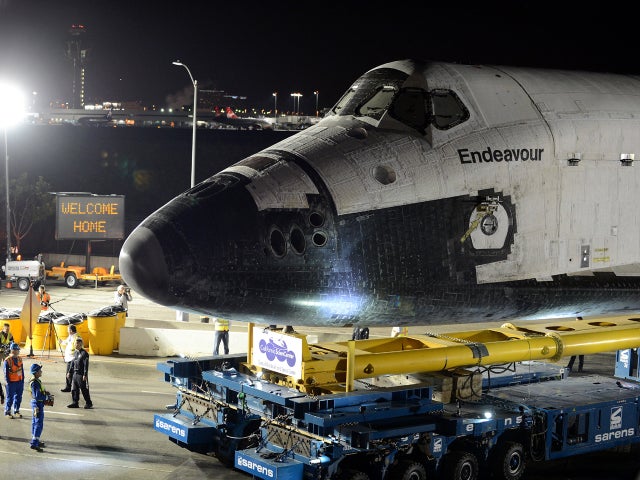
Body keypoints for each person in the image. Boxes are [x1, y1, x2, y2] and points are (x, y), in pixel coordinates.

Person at [67, 336, 92, 409]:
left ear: (80, 344)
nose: (75, 345)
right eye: (75, 344)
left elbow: (86, 365)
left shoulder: (84, 353)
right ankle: (75, 402)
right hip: (75, 373)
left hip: (81, 374)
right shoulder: (76, 352)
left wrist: (85, 374)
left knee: (83, 389)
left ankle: (88, 402)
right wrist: (69, 372)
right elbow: (72, 362)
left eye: (77, 344)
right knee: (74, 389)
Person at [29, 363, 49, 451]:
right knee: (38, 423)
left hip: (36, 404)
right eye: (40, 370)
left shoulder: (36, 380)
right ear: (36, 372)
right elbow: (37, 396)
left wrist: (45, 392)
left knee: (35, 422)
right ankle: (34, 443)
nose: (41, 372)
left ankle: (35, 439)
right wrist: (46, 397)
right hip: (38, 404)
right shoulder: (35, 383)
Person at [3, 342, 24, 418]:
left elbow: (22, 370)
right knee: (10, 398)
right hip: (11, 383)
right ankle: (7, 412)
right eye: (17, 350)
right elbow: (6, 373)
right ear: (13, 350)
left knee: (19, 397)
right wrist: (8, 383)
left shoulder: (19, 359)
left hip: (19, 382)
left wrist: (22, 381)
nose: (18, 351)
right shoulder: (7, 360)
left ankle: (16, 410)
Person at [58, 324, 78, 392]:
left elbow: (77, 349)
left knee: (70, 374)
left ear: (71, 330)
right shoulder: (70, 336)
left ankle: (71, 387)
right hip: (69, 358)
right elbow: (66, 342)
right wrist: (61, 342)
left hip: (73, 359)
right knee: (68, 374)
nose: (67, 331)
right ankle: (69, 387)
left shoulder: (76, 338)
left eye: (68, 330)